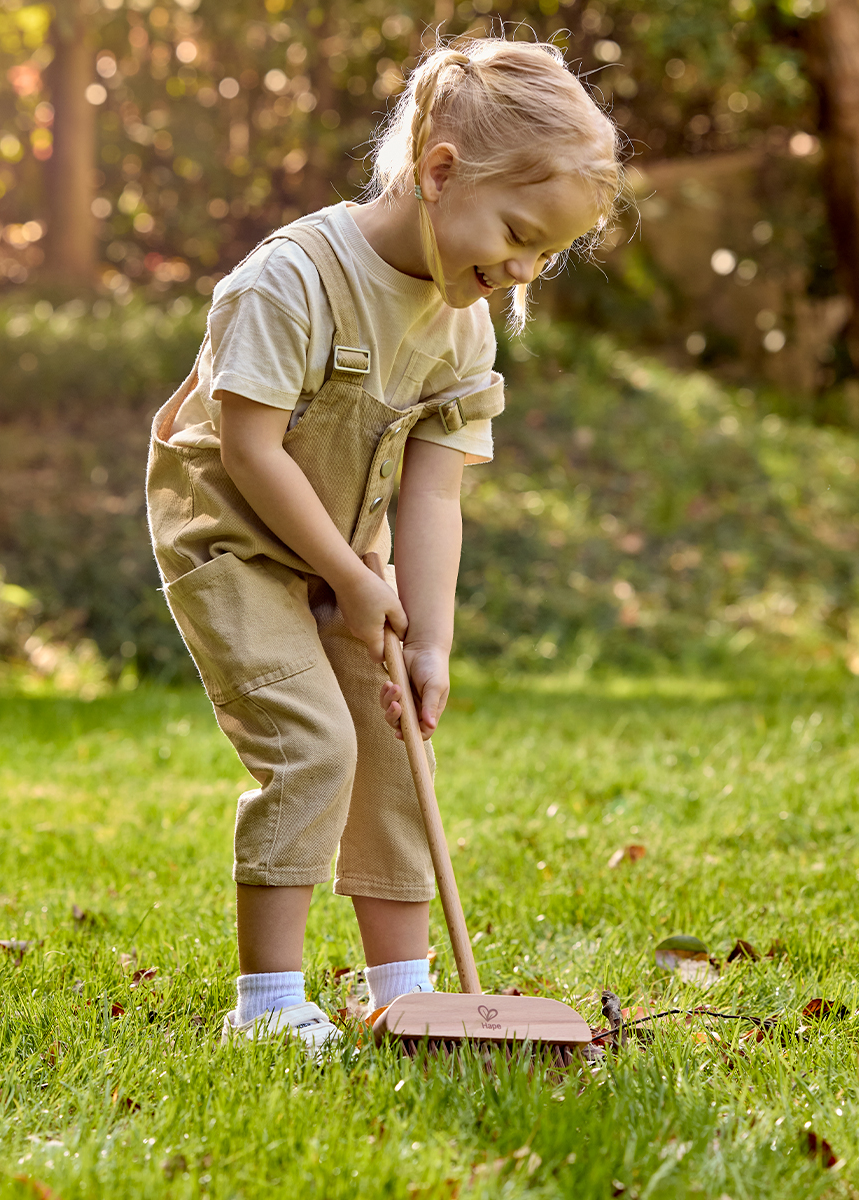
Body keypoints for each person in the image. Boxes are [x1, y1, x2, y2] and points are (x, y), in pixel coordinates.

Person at [146, 35, 622, 1050]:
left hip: (349, 550)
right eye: (520, 233)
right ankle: (268, 1009)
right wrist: (351, 585)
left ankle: (401, 995)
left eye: (548, 254)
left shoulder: (463, 326)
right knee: (314, 743)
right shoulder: (290, 280)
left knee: (396, 746)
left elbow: (433, 496)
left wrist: (427, 638)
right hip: (232, 539)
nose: (524, 268)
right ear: (440, 169)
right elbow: (248, 447)